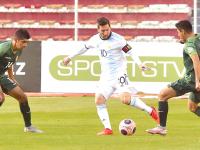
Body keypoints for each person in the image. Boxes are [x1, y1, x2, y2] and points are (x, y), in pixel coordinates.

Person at [63, 17, 159, 135]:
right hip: (106, 77)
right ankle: (108, 129)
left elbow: (130, 51)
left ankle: (150, 110)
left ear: (110, 27)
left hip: (119, 74)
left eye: (107, 29)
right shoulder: (95, 40)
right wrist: (69, 57)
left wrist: (139, 63)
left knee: (125, 99)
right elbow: (84, 48)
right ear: (98, 30)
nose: (106, 32)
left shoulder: (118, 40)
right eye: (103, 30)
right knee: (99, 100)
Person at [146, 20, 200, 135]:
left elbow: (196, 60)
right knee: (192, 106)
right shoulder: (198, 38)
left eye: (178, 32)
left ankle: (161, 127)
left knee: (162, 94)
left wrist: (197, 81)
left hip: (191, 80)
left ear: (183, 31)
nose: (178, 35)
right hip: (196, 81)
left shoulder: (189, 45)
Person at [0, 29, 43, 133]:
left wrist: (12, 78)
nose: (25, 45)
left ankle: (28, 127)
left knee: (22, 97)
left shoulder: (19, 49)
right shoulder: (3, 48)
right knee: (0, 98)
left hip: (1, 75)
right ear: (16, 40)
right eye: (23, 42)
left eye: (27, 42)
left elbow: (9, 63)